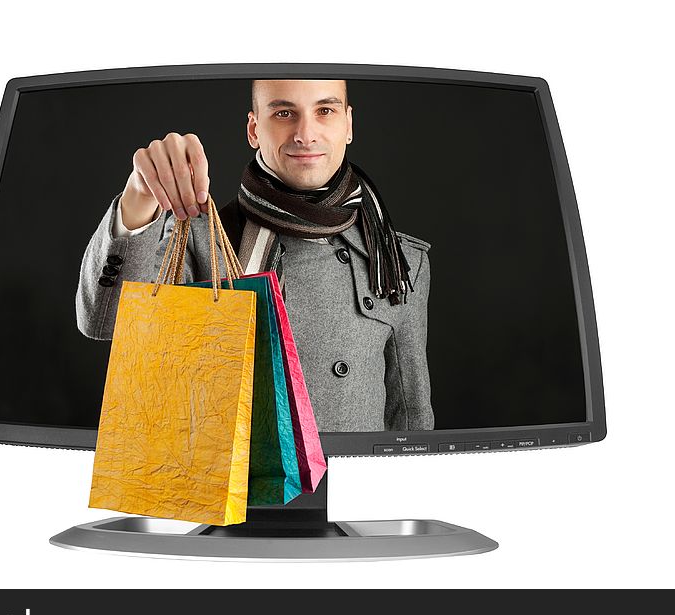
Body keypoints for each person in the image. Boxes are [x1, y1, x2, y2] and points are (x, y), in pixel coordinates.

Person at [76, 79, 434, 432]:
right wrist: (139, 195)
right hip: (230, 484)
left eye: (325, 110)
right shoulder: (201, 240)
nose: (305, 134)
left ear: (348, 125)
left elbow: (410, 417)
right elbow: (103, 322)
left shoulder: (397, 262)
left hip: (353, 487)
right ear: (254, 129)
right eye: (283, 113)